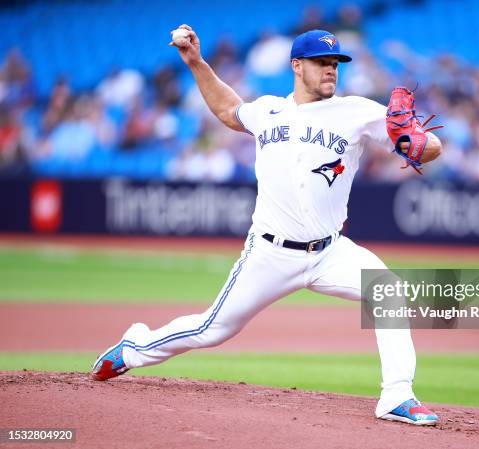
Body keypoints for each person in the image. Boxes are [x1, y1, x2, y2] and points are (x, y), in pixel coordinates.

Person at [91, 25, 443, 426]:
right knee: (212, 329)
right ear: (297, 65)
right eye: (321, 62)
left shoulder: (358, 112)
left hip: (330, 251)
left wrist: (416, 143)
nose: (331, 70)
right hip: (270, 253)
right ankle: (135, 347)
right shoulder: (268, 110)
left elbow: (429, 145)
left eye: (335, 63)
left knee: (389, 292)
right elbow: (228, 109)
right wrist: (196, 62)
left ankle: (397, 396)